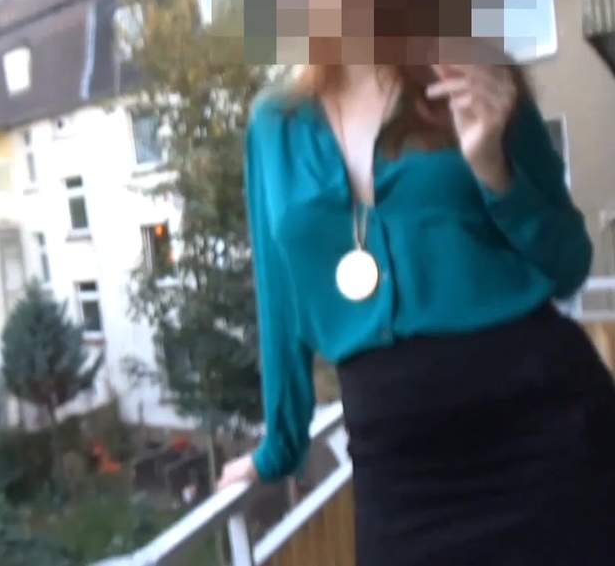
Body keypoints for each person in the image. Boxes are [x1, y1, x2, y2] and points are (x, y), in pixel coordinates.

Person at [215, 57, 615, 564]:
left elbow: (569, 265)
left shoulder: (479, 79)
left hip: (550, 441)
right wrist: (279, 446)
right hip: (400, 473)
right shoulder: (275, 123)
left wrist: (494, 169)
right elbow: (278, 297)